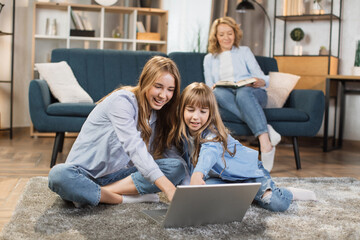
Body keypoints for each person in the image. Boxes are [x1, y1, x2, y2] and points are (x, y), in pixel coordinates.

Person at [48, 56, 185, 207]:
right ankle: (124, 199)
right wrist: (169, 189)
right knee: (58, 175)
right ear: (145, 81)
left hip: (117, 178)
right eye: (158, 86)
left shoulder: (157, 116)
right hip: (82, 174)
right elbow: (134, 146)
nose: (163, 95)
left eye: (170, 90)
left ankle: (93, 194)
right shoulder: (122, 101)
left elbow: (158, 157)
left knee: (176, 167)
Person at [176, 82, 316, 212]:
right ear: (182, 110)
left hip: (248, 173)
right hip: (223, 178)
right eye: (190, 110)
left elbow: (209, 153)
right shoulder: (183, 134)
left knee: (274, 203)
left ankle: (287, 193)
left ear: (210, 113)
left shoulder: (213, 134)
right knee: (208, 196)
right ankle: (247, 194)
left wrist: (198, 174)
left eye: (202, 111)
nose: (195, 117)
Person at [203, 16, 280, 172]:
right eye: (222, 34)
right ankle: (265, 129)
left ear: (235, 34)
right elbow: (208, 85)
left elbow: (263, 77)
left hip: (251, 93)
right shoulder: (209, 58)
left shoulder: (244, 52)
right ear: (216, 37)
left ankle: (265, 143)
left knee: (243, 93)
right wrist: (212, 88)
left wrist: (260, 81)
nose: (226, 37)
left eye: (229, 33)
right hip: (226, 96)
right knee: (218, 93)